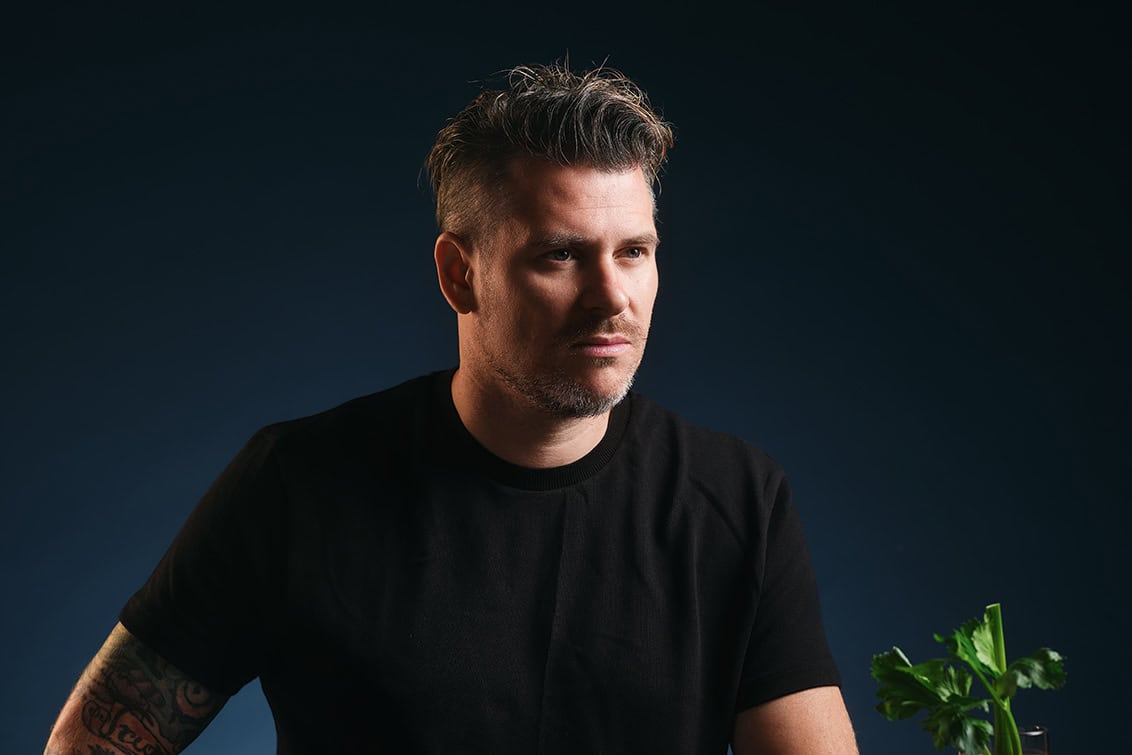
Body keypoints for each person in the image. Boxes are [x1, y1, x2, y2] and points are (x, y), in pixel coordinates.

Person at [45, 62, 858, 754]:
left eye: (634, 251)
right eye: (560, 254)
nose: (612, 296)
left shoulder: (736, 501)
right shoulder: (297, 485)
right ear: (458, 274)